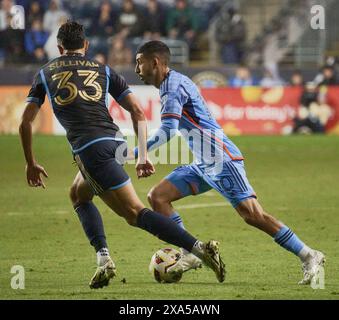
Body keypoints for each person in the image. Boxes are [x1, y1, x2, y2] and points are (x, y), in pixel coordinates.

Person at [19, 21, 225, 289]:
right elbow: (137, 112)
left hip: (90, 150)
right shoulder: (104, 69)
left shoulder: (45, 73)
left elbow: (25, 122)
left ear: (59, 48)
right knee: (78, 194)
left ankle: (198, 248)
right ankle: (104, 260)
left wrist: (31, 163)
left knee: (134, 213)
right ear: (86, 45)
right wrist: (141, 156)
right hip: (116, 144)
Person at [133, 40, 325, 285]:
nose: (137, 68)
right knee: (158, 197)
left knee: (253, 215)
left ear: (155, 62)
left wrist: (140, 150)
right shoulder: (172, 83)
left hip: (221, 159)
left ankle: (309, 255)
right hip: (204, 163)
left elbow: (169, 129)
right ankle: (190, 252)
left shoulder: (172, 87)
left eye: (139, 62)